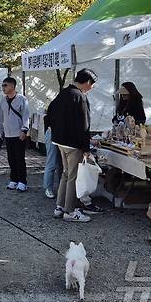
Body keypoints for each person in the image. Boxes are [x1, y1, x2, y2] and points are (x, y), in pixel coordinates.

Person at [48, 68, 103, 222]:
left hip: (59, 141)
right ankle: (70, 211)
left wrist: (56, 130)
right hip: (73, 144)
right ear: (87, 82)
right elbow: (84, 125)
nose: (92, 87)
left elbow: (49, 112)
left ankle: (60, 207)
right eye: (92, 84)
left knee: (65, 174)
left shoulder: (63, 93)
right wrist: (86, 147)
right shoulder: (80, 97)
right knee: (73, 176)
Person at [0, 77, 30, 192]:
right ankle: (13, 179)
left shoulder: (22, 99)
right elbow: (0, 118)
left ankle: (22, 181)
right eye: (2, 85)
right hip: (8, 134)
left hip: (19, 133)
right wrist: (0, 134)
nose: (3, 88)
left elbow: (26, 116)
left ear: (12, 86)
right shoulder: (2, 100)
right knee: (11, 158)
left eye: (5, 85)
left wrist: (24, 130)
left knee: (20, 158)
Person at [42, 101, 62, 199]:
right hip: (52, 134)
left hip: (58, 135)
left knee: (60, 163)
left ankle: (60, 188)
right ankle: (48, 188)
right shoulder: (56, 106)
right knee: (52, 162)